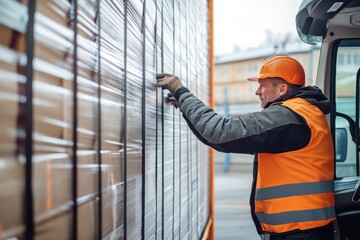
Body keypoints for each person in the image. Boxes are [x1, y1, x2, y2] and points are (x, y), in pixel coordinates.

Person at [156, 54, 336, 240]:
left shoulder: (287, 117)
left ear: (282, 88)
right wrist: (187, 108)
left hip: (299, 233)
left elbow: (219, 130)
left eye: (263, 85)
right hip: (306, 230)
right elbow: (221, 141)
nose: (258, 92)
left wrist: (181, 91)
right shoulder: (306, 114)